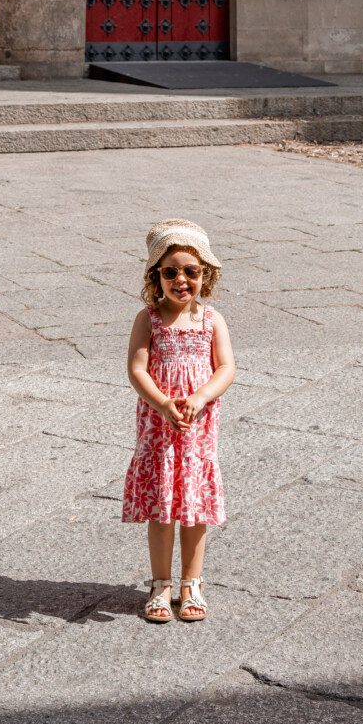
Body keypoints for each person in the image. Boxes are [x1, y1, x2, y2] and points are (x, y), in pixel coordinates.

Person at [123, 219, 235, 624]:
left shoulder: (211, 320)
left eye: (191, 271)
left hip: (197, 425)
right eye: (170, 272)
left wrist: (201, 396)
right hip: (159, 424)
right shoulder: (148, 319)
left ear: (206, 275)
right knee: (161, 504)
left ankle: (192, 582)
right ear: (156, 276)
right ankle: (160, 584)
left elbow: (226, 368)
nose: (181, 280)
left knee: (194, 503)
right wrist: (162, 402)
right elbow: (137, 369)